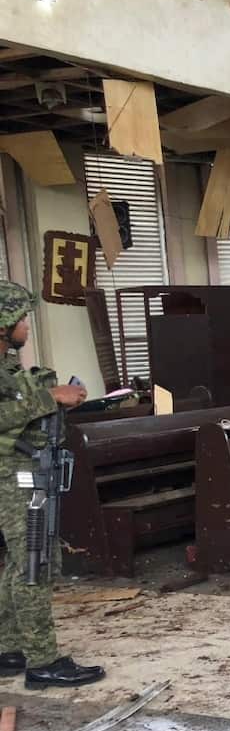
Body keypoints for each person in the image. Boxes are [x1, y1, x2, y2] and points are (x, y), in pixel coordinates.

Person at [0, 281, 104, 689]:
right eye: (21, 317)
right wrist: (50, 398)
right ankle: (43, 662)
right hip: (11, 478)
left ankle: (10, 648)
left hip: (22, 471)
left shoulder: (8, 368)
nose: (26, 324)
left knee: (15, 563)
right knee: (33, 563)